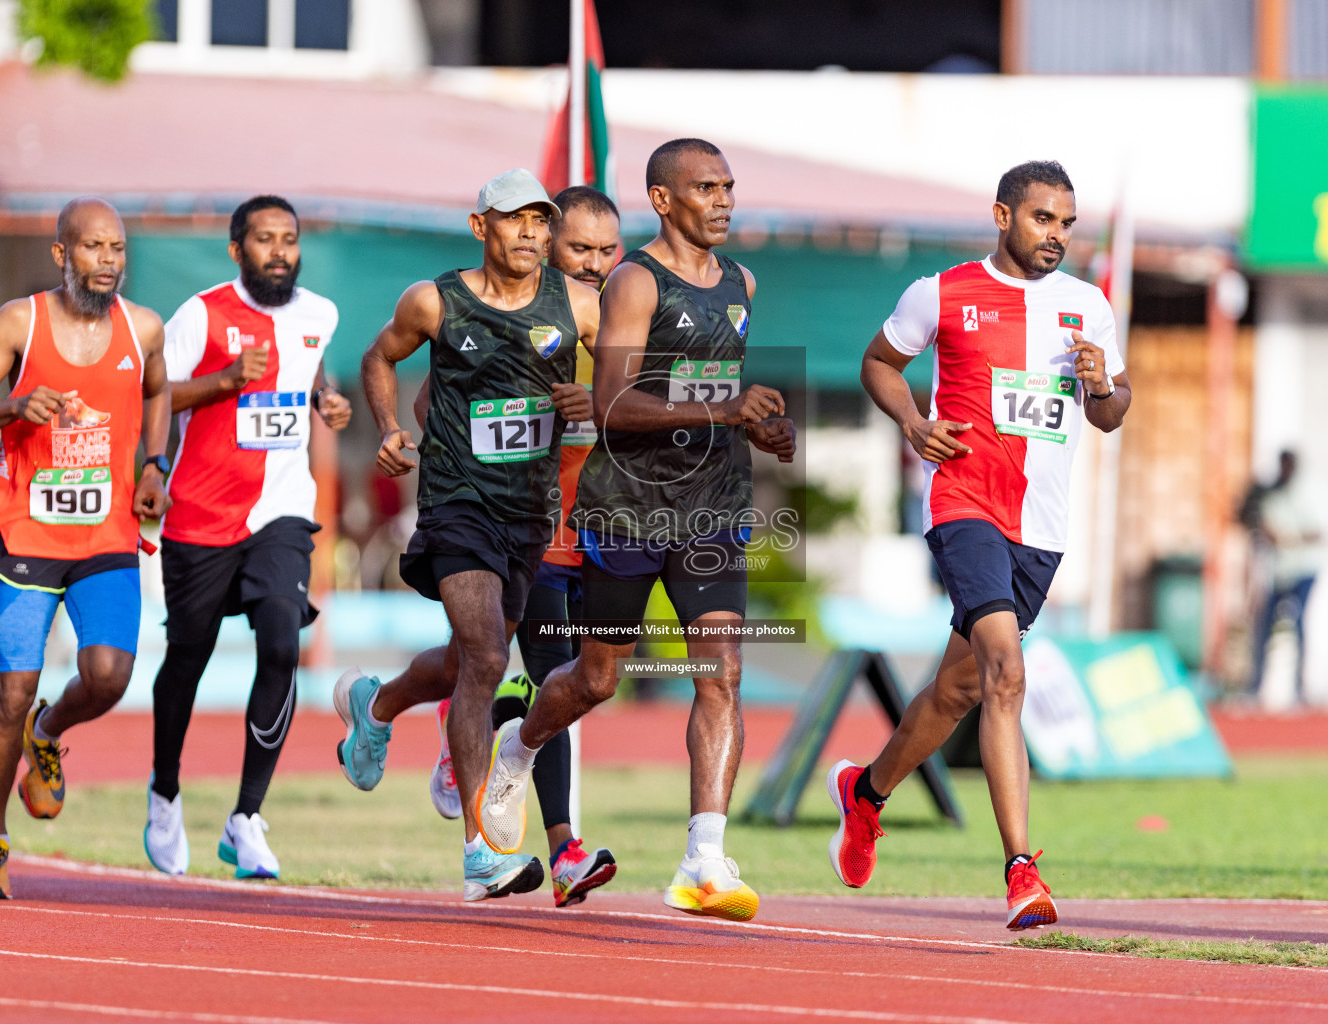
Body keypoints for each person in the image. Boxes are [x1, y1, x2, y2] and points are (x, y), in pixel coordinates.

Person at [475, 139, 796, 924]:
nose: (723, 201)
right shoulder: (633, 281)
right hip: (626, 510)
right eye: (705, 188)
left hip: (712, 508)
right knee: (595, 679)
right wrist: (726, 408)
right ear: (662, 199)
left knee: (720, 673)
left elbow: (711, 391)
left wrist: (763, 429)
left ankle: (705, 858)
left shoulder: (743, 282)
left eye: (728, 187)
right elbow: (615, 403)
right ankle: (517, 748)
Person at [825, 160, 1132, 930]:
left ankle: (865, 794)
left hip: (1042, 528)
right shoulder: (941, 293)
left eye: (1066, 222)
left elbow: (1113, 413)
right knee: (1005, 670)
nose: (1057, 235)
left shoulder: (1088, 307)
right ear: (1004, 216)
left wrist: (1101, 386)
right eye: (1042, 219)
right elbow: (879, 362)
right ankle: (1022, 871)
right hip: (963, 503)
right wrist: (913, 422)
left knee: (959, 690)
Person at [335, 184, 622, 907]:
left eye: (538, 222)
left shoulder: (582, 309)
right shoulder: (435, 302)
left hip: (532, 515)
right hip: (457, 506)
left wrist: (600, 405)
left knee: (471, 659)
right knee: (493, 658)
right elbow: (379, 359)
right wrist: (392, 428)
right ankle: (480, 854)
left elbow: (629, 391)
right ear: (479, 226)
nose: (529, 234)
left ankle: (376, 704)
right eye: (516, 221)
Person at [0, 198, 172, 900]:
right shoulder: (21, 322)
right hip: (30, 535)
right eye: (94, 248)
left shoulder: (145, 327)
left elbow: (159, 392)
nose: (108, 261)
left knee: (107, 677)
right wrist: (13, 406)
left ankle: (51, 728)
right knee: (9, 692)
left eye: (118, 249)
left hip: (106, 537)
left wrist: (154, 465)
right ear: (61, 254)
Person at [141, 195, 352, 880]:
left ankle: (247, 816)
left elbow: (311, 366)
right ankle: (165, 789)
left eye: (289, 239)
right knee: (188, 658)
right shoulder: (199, 314)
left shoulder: (321, 313)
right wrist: (222, 383)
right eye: (265, 240)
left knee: (283, 644)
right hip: (200, 513)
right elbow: (153, 396)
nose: (280, 252)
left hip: (281, 512)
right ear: (238, 250)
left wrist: (328, 397)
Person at [1248, 449, 1325, 699]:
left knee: (1299, 624)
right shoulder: (1271, 495)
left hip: (1303, 569)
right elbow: (1262, 525)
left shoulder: (1306, 494)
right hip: (1279, 572)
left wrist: (1287, 538)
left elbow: (1319, 532)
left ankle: (1300, 688)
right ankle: (1256, 686)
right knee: (1265, 626)